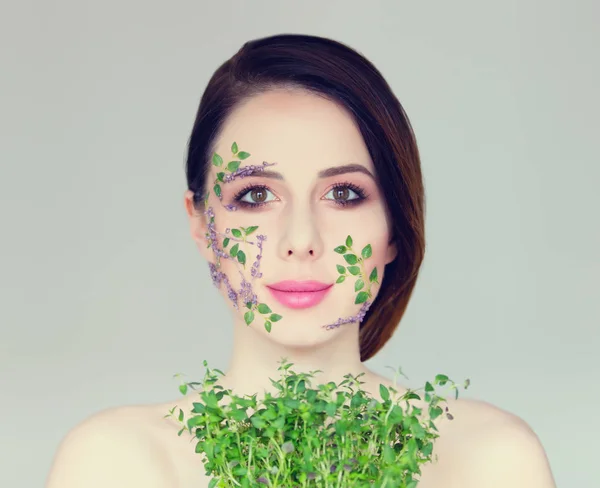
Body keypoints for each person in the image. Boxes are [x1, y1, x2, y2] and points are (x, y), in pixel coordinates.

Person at [46, 33, 556, 488]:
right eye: (254, 197)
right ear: (203, 225)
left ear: (395, 226)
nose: (301, 240)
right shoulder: (113, 463)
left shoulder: (490, 459)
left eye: (344, 193)